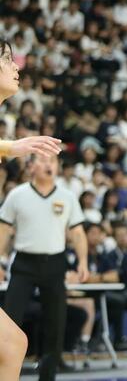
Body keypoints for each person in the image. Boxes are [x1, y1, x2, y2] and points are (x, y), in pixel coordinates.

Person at [0, 39, 64, 381]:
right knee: (11, 344)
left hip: (53, 263)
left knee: (11, 345)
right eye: (8, 59)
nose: (17, 67)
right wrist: (11, 147)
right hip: (26, 262)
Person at [0, 154, 87, 381]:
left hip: (55, 263)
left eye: (53, 161)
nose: (49, 164)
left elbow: (77, 233)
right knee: (9, 320)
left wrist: (83, 262)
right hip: (24, 263)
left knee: (55, 324)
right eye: (43, 160)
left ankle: (48, 377)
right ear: (30, 167)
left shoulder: (67, 196)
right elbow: (4, 231)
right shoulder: (17, 195)